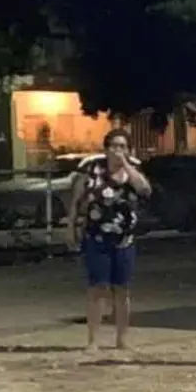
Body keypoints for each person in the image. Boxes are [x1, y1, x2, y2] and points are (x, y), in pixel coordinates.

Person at [67, 128, 152, 351]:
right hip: (96, 237)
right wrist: (71, 226)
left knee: (122, 289)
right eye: (114, 146)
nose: (118, 151)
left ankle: (122, 339)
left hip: (124, 239)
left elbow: (145, 190)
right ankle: (93, 339)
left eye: (122, 146)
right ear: (106, 149)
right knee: (97, 288)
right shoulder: (92, 169)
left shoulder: (133, 170)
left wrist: (127, 166)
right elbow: (76, 199)